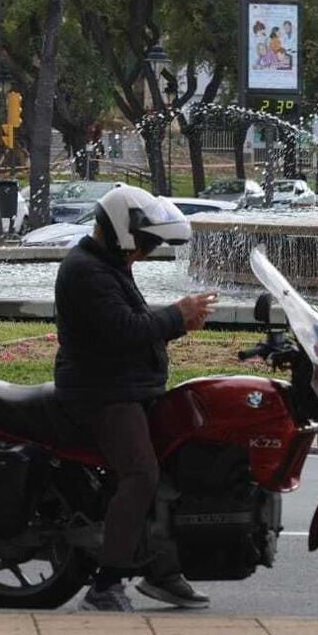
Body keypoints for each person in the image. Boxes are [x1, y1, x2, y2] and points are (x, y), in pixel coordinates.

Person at [53, 185, 219, 611]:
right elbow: (124, 331)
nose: (146, 251)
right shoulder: (86, 271)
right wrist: (176, 315)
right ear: (122, 231)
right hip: (102, 393)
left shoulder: (107, 264)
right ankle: (104, 587)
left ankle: (163, 571)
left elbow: (135, 323)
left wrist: (179, 320)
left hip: (125, 386)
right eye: (144, 241)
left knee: (173, 467)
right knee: (141, 474)